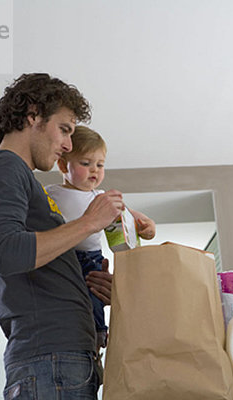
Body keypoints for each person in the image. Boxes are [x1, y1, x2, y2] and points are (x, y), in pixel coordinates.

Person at [0, 73, 120, 399]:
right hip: (50, 359)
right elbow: (8, 253)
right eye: (64, 129)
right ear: (33, 115)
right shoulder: (4, 168)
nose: (68, 144)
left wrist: (87, 286)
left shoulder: (21, 178)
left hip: (60, 359)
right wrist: (88, 223)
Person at [45, 126, 156, 351]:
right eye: (85, 164)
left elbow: (131, 216)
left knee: (94, 295)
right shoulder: (51, 193)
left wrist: (147, 227)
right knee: (68, 300)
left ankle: (98, 335)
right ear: (63, 165)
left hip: (91, 258)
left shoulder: (101, 197)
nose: (94, 170)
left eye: (100, 164)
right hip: (63, 255)